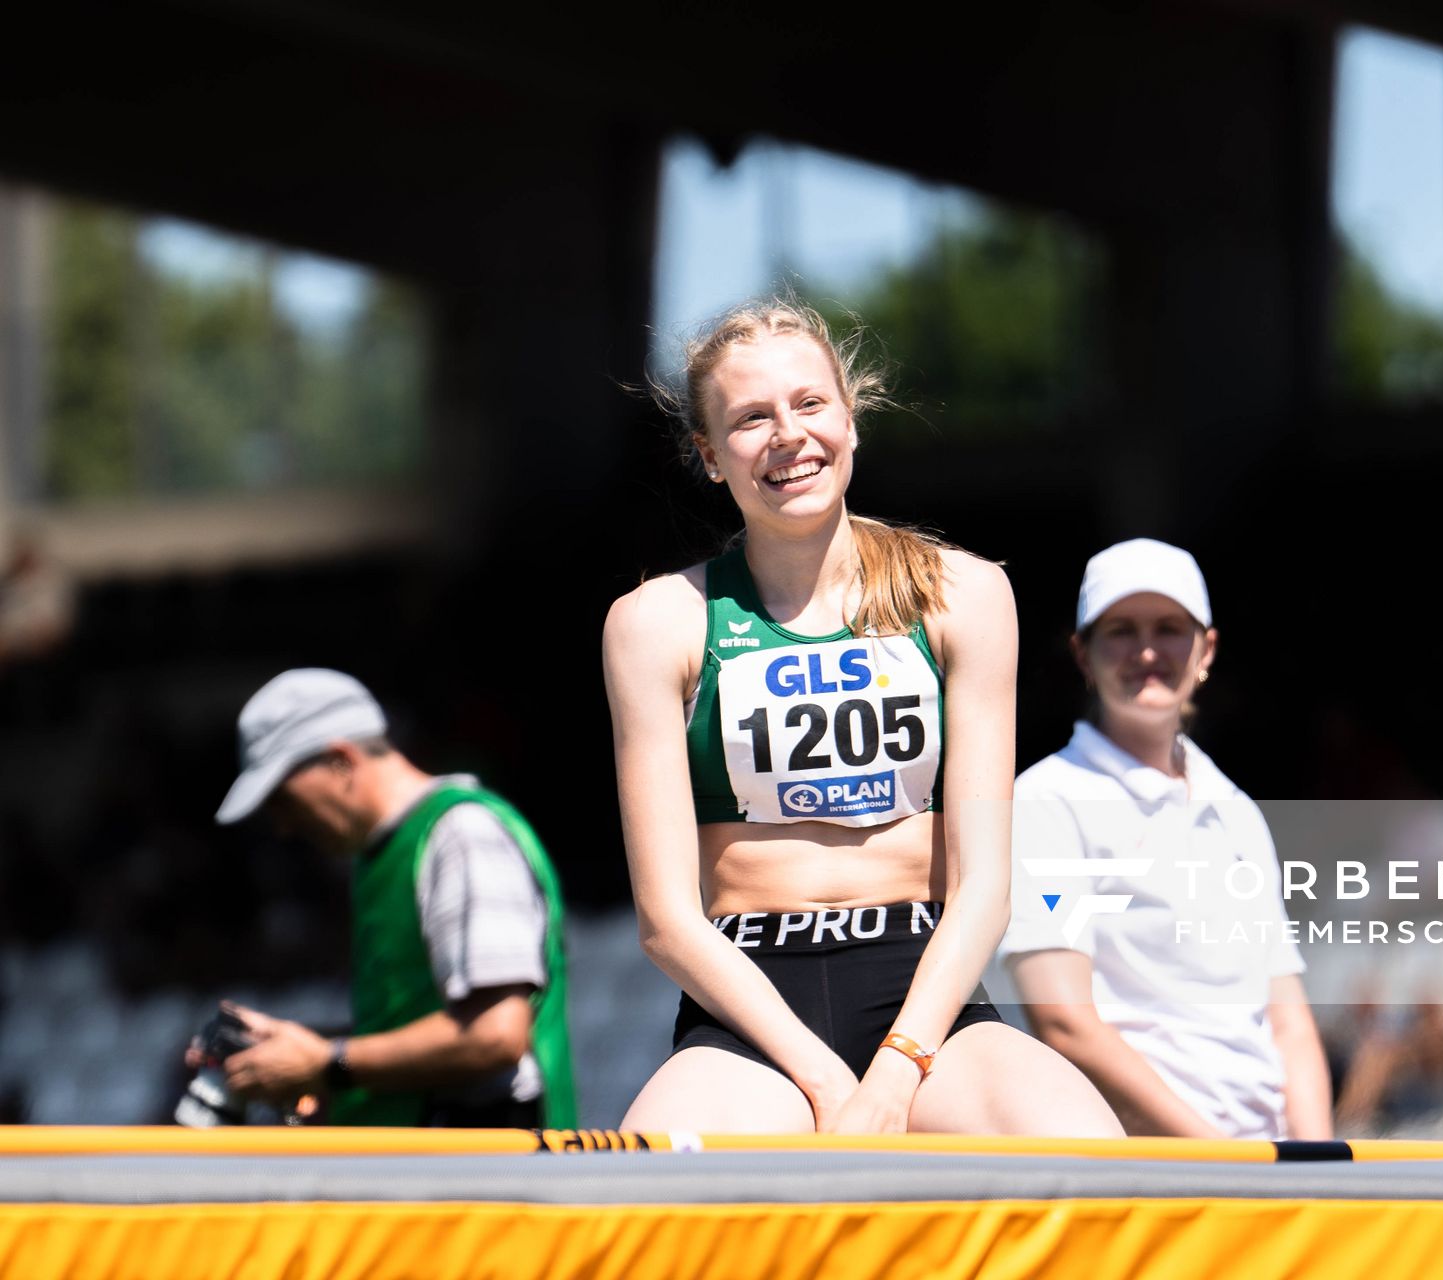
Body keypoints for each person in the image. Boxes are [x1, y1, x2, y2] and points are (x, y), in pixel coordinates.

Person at [605, 297, 1120, 1136]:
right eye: (751, 418)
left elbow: (985, 886)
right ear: (710, 456)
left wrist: (894, 1072)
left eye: (809, 403)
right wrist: (822, 1078)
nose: (788, 435)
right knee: (651, 1190)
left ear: (850, 418)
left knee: (1085, 1150)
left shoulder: (964, 594)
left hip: (926, 999)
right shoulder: (655, 623)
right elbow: (666, 921)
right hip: (752, 1010)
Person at [1000, 539, 1333, 1139]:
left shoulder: (1235, 810)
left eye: (1169, 628)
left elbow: (1289, 1022)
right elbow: (1065, 1023)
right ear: (1082, 654)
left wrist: (1315, 1166)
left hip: (1265, 1164)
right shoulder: (1046, 802)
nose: (1147, 650)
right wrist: (1220, 1159)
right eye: (1121, 630)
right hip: (1154, 1165)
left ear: (1207, 649)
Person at [198, 668, 577, 1127]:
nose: (283, 826)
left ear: (340, 761)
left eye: (283, 798)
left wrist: (327, 1062)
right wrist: (294, 1050)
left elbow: (494, 1034)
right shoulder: (381, 856)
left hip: (492, 1160)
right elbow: (411, 1027)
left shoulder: (460, 833)